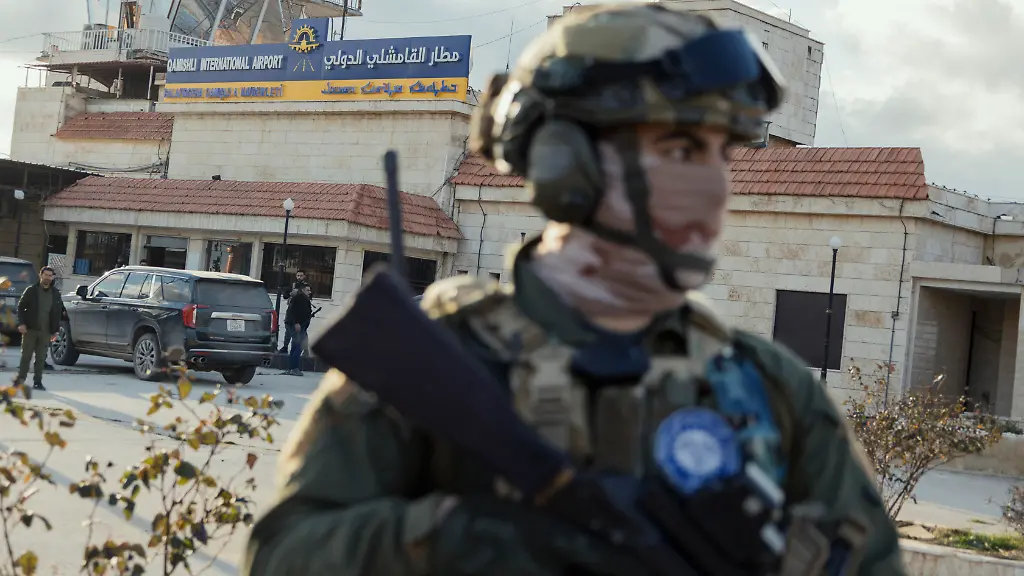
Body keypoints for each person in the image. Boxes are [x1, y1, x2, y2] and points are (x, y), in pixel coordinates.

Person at [243, 5, 905, 576]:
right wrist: (463, 540)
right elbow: (285, 552)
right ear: (568, 164)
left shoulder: (769, 387)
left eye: (721, 156)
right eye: (679, 151)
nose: (716, 189)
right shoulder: (446, 352)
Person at [13, 266, 63, 392]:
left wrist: (55, 331)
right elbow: (20, 307)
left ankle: (38, 382)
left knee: (41, 358)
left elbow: (57, 313)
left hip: (46, 331)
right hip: (30, 329)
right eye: (45, 275)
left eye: (50, 275)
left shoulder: (56, 294)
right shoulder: (31, 290)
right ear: (41, 276)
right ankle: (20, 380)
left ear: (53, 278)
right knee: (26, 356)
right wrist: (21, 323)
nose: (47, 277)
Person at [283, 283, 312, 377]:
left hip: (300, 325)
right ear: (302, 290)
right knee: (299, 346)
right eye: (307, 290)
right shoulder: (299, 298)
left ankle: (291, 368)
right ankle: (294, 368)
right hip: (295, 325)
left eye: (309, 290)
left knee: (295, 346)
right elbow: (293, 311)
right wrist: (296, 323)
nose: (309, 292)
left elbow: (304, 312)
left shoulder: (304, 299)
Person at [278, 270, 307, 354]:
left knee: (303, 331)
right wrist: (291, 293)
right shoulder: (293, 285)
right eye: (298, 275)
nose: (299, 277)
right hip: (291, 310)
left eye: (301, 275)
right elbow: (285, 296)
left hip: (302, 311)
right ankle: (285, 346)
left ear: (304, 276)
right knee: (288, 329)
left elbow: (309, 296)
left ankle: (305, 349)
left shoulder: (306, 286)